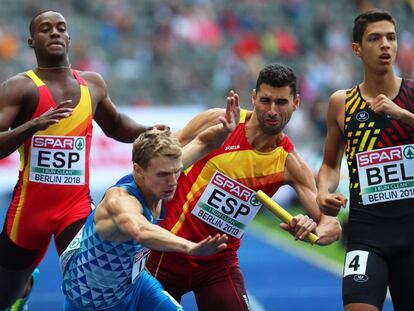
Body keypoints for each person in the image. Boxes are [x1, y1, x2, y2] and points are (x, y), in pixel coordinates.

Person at [0, 10, 167, 310]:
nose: (54, 33)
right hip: (29, 210)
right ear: (31, 41)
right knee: (4, 296)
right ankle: (23, 288)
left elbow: (116, 125)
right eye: (45, 29)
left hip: (74, 208)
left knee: (89, 287)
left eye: (60, 28)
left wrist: (146, 130)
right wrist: (32, 127)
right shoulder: (20, 87)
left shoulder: (92, 85)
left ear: (68, 38)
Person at [147, 63, 342, 311]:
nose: (272, 110)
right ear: (253, 98)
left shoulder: (289, 163)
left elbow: (331, 225)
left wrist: (313, 228)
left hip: (217, 264)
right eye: (265, 100)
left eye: (281, 102)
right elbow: (159, 153)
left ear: (296, 103)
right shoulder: (218, 121)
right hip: (166, 253)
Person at [61, 91, 240, 310]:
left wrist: (226, 130)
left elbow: (203, 143)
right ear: (138, 170)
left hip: (134, 285)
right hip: (93, 301)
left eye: (176, 172)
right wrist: (190, 247)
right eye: (164, 175)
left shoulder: (161, 174)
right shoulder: (120, 201)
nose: (173, 181)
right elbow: (140, 231)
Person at [316, 9, 414, 311]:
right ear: (357, 49)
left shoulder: (413, 94)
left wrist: (403, 115)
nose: (385, 45)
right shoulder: (341, 103)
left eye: (391, 37)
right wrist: (323, 192)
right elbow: (331, 165)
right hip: (366, 233)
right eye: (375, 38)